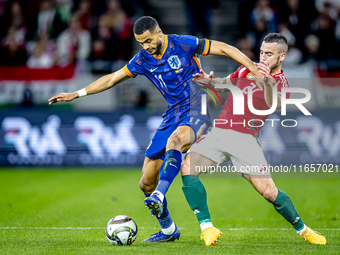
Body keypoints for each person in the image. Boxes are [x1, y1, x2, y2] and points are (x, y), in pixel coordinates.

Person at [48, 16, 262, 243]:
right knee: (146, 182)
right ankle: (169, 230)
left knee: (176, 142)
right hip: (172, 114)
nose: (146, 46)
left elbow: (225, 48)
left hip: (197, 106)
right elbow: (113, 78)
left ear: (159, 31)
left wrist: (254, 70)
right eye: (141, 43)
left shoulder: (183, 43)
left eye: (149, 41)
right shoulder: (142, 59)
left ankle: (160, 194)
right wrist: (77, 93)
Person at [179, 33, 327, 246]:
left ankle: (303, 230)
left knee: (269, 192)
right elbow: (225, 84)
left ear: (282, 57)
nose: (263, 58)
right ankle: (207, 228)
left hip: (245, 139)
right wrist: (209, 82)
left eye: (269, 54)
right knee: (187, 167)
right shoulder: (245, 68)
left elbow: (272, 103)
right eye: (261, 53)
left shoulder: (280, 81)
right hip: (219, 132)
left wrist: (265, 81)